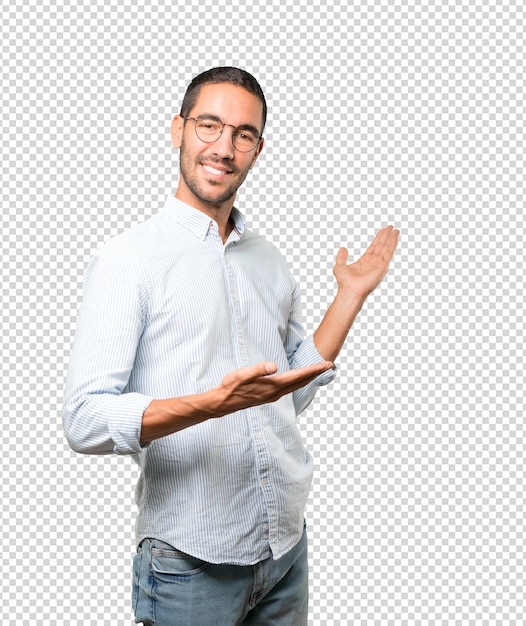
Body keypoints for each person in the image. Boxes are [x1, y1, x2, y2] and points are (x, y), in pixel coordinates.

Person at [62, 67, 399, 625]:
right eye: (209, 125)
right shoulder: (128, 260)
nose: (224, 147)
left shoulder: (267, 259)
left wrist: (350, 298)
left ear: (257, 149)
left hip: (284, 547)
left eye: (243, 134)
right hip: (191, 563)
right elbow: (84, 420)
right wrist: (213, 404)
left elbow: (288, 392)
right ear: (178, 130)